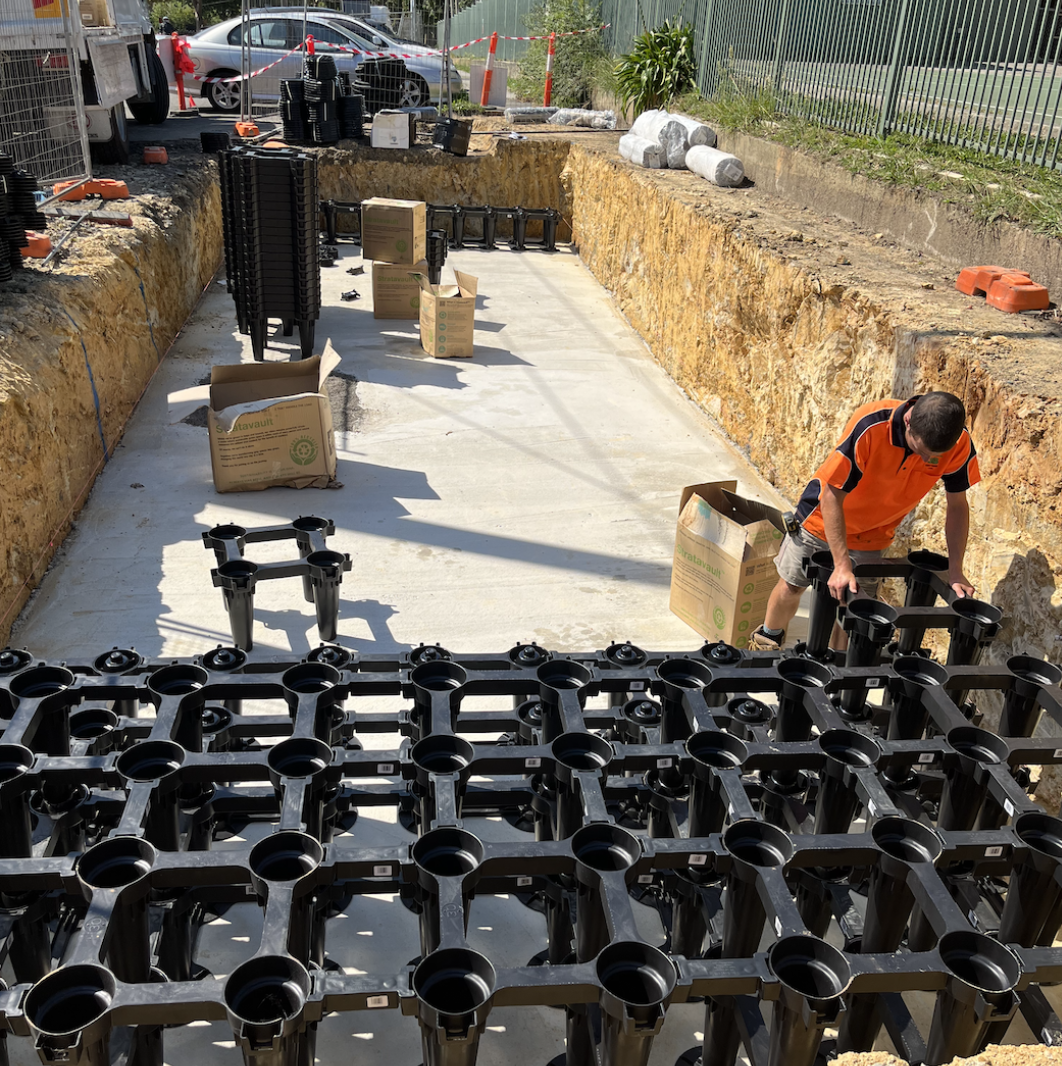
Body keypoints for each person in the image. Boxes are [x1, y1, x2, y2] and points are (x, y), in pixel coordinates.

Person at [749, 391, 980, 652]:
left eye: (934, 457)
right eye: (922, 451)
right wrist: (841, 564)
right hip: (822, 520)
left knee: (853, 605)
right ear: (908, 421)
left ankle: (838, 669)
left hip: (874, 533)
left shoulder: (957, 441)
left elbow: (958, 506)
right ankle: (766, 641)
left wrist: (956, 571)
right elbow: (832, 495)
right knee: (792, 585)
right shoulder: (871, 426)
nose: (928, 461)